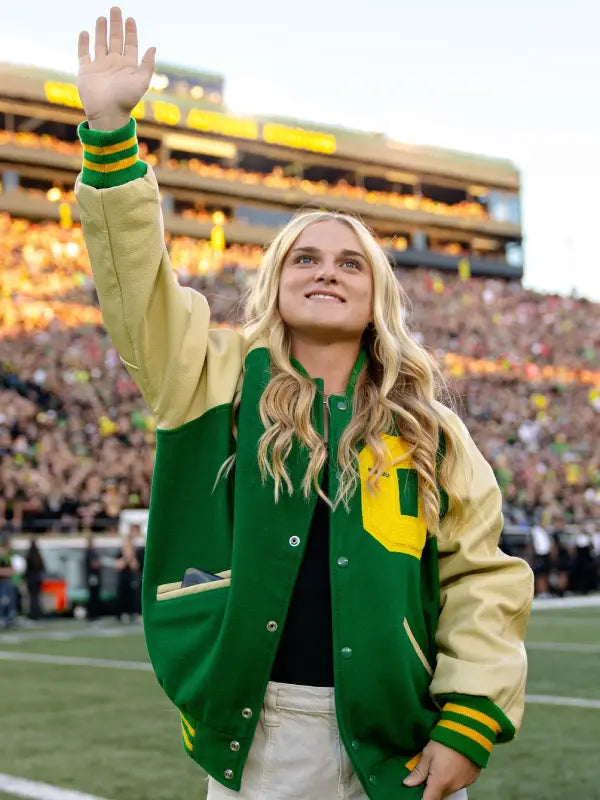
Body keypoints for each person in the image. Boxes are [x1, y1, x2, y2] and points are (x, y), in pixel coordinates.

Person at [74, 9, 533, 800]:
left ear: (377, 296)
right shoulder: (209, 376)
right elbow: (136, 287)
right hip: (264, 740)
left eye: (351, 263)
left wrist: (470, 718)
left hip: (404, 740)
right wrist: (112, 136)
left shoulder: (430, 426)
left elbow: (481, 577)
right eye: (306, 258)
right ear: (276, 284)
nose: (327, 271)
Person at [24, 536, 46, 620]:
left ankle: (33, 613)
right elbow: (43, 567)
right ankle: (38, 612)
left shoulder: (29, 555)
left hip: (31, 578)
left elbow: (27, 568)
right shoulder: (39, 555)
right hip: (38, 577)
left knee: (32, 597)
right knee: (37, 597)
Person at [84, 530, 102, 621]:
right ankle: (92, 615)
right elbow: (94, 565)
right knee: (93, 596)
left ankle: (93, 614)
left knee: (94, 595)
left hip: (93, 576)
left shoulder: (90, 552)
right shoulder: (90, 552)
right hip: (93, 576)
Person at [0, 536, 16, 629]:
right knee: (3, 601)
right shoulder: (2, 556)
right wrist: (8, 571)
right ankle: (2, 618)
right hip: (2, 582)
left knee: (9, 601)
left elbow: (12, 569)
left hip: (8, 581)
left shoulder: (8, 556)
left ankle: (8, 619)